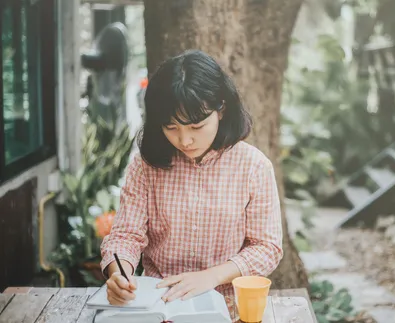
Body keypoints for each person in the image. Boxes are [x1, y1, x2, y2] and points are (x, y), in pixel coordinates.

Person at [100, 49, 283, 321]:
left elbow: (267, 247)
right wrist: (119, 273)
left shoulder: (253, 166)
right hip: (156, 307)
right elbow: (126, 236)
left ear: (221, 109)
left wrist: (211, 277)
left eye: (196, 126)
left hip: (227, 310)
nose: (184, 140)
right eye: (171, 127)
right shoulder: (144, 166)